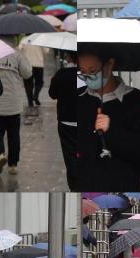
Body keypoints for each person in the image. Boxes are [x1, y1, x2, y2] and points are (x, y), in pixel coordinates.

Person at [77, 50, 140, 191]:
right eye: (83, 72)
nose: (88, 77)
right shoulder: (80, 99)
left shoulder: (135, 100)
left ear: (109, 65)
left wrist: (111, 131)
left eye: (93, 71)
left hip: (124, 186)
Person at [0, 37, 32, 176]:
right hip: (13, 103)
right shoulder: (16, 53)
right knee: (13, 134)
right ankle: (13, 165)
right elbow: (27, 73)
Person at [49, 51, 78, 190]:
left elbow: (52, 94)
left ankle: (74, 185)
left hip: (66, 122)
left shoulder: (61, 74)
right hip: (84, 122)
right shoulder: (87, 75)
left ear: (68, 57)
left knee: (69, 155)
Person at [19, 42, 49, 107]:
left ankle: (30, 102)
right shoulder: (40, 40)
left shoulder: (25, 40)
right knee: (39, 82)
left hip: (27, 64)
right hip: (38, 65)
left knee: (28, 84)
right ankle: (35, 95)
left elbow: (19, 48)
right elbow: (46, 51)